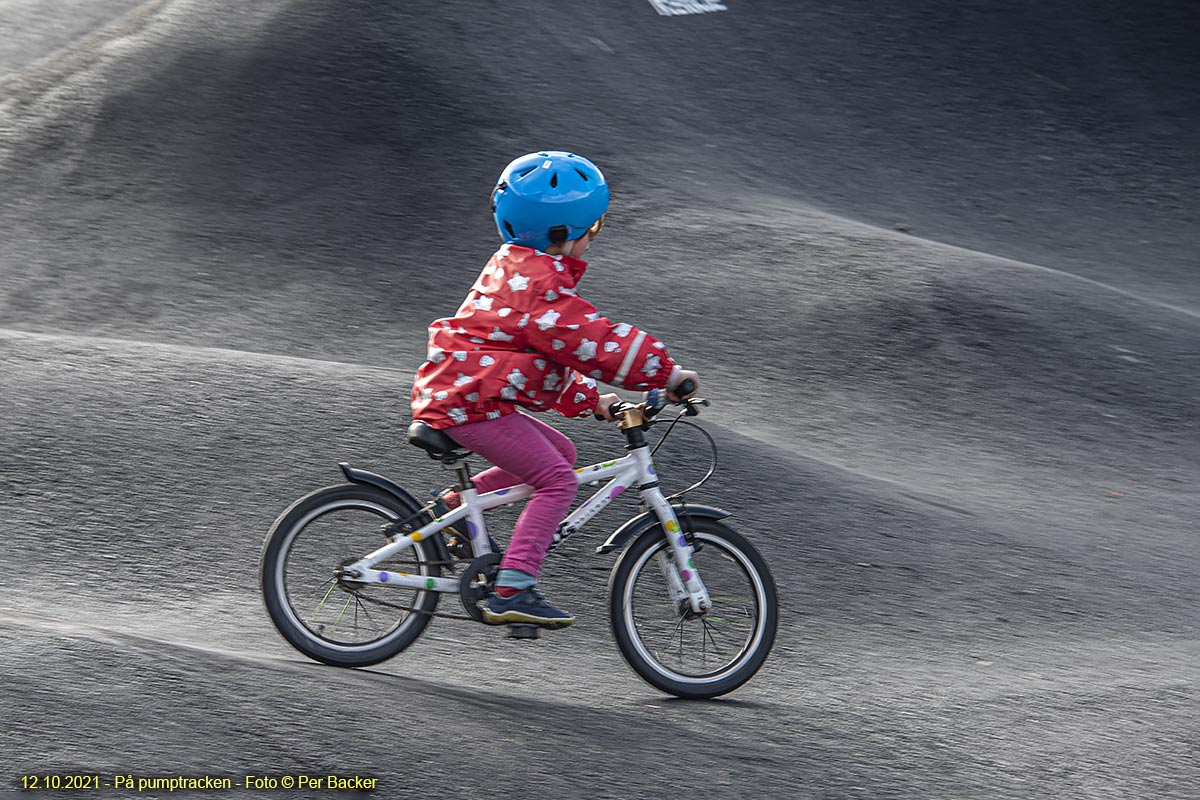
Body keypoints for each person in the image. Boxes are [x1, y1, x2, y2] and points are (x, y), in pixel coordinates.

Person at [410, 151, 699, 628]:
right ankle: (513, 587)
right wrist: (665, 374)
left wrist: (594, 401)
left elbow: (540, 358)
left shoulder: (519, 269)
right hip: (469, 402)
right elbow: (593, 343)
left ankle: (454, 515)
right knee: (558, 480)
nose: (593, 237)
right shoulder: (538, 286)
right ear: (564, 233)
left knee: (560, 453)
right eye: (594, 227)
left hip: (468, 393)